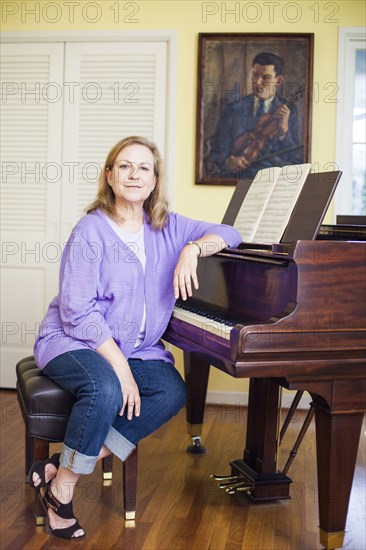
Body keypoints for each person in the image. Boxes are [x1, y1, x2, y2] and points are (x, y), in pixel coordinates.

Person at [29, 136, 241, 539]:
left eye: (144, 167)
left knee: (171, 390)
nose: (134, 174)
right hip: (73, 341)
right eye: (124, 166)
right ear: (109, 176)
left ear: (155, 179)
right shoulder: (91, 230)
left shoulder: (169, 227)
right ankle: (63, 490)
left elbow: (229, 232)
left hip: (136, 349)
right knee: (106, 388)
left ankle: (61, 467)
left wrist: (193, 249)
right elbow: (76, 311)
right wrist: (121, 366)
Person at [208, 52, 301, 181]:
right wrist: (228, 160)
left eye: (266, 77)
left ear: (278, 81)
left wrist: (284, 131)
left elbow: (295, 158)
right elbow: (216, 151)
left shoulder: (289, 110)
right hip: (236, 182)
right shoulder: (232, 109)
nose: (258, 82)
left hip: (274, 182)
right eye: (255, 75)